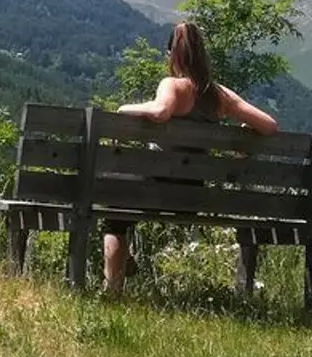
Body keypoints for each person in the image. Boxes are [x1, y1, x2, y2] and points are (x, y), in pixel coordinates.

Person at [102, 20, 279, 295]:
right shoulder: (220, 95)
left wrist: (125, 108)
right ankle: (125, 259)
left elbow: (161, 111)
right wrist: (246, 129)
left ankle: (112, 289)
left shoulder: (172, 85)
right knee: (122, 194)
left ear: (173, 54)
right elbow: (269, 125)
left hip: (154, 192)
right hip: (193, 198)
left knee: (113, 212)